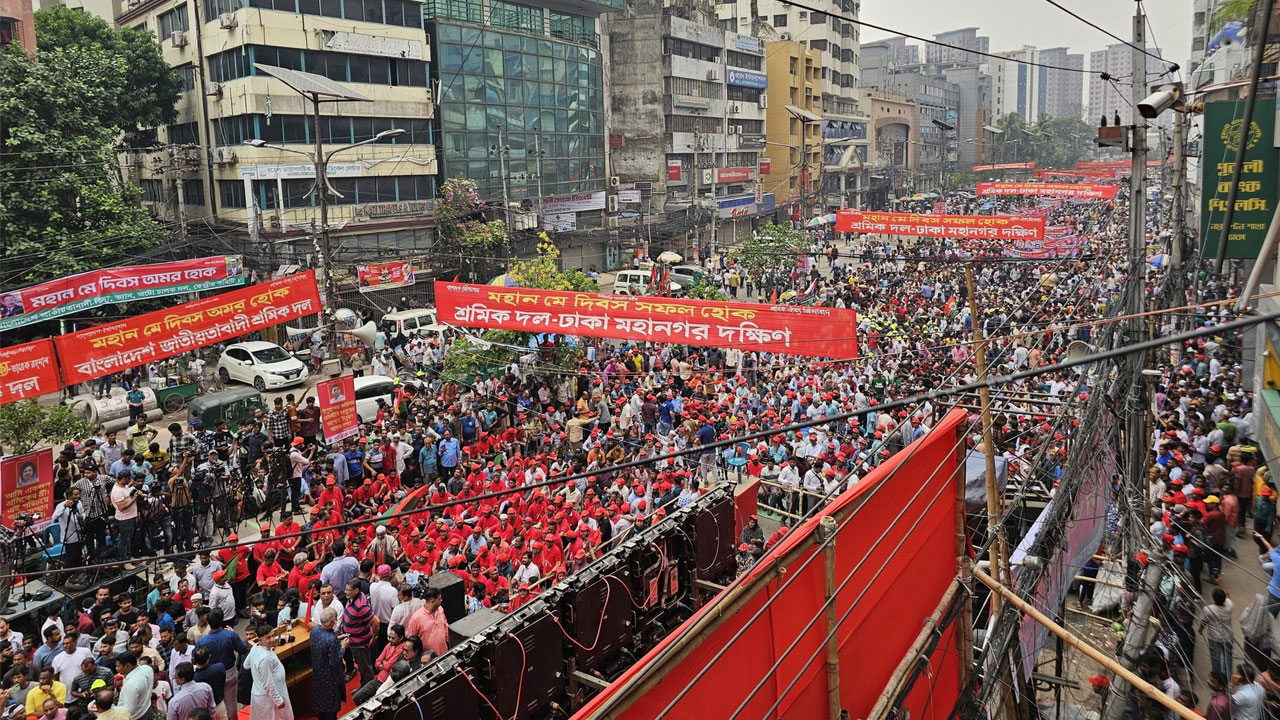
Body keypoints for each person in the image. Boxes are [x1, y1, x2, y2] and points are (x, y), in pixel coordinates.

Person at [246, 626, 292, 720]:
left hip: (261, 692)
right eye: (268, 638)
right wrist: (278, 701)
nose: (272, 639)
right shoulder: (265, 658)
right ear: (260, 640)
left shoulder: (255, 647)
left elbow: (246, 665)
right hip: (268, 698)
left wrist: (258, 673)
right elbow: (268, 684)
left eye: (273, 636)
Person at [309, 609, 345, 720]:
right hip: (330, 677)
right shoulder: (331, 639)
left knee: (321, 704)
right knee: (331, 707)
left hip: (318, 674)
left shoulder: (315, 630)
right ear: (331, 622)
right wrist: (343, 647)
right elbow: (334, 661)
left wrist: (337, 640)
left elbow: (323, 647)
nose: (336, 621)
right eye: (335, 619)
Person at [406, 587, 448, 657]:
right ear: (432, 601)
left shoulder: (440, 610)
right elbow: (412, 640)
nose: (441, 600)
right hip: (427, 659)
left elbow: (445, 626)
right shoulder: (416, 617)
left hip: (443, 653)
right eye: (439, 599)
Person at [110, 472, 139, 563]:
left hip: (131, 517)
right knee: (124, 540)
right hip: (124, 519)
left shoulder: (124, 486)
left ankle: (129, 557)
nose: (130, 480)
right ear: (123, 479)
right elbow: (121, 507)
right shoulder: (117, 491)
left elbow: (127, 497)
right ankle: (125, 561)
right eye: (128, 479)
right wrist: (134, 499)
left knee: (128, 539)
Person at [115, 651, 152, 720]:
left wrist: (109, 709)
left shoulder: (131, 684)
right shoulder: (147, 669)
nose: (116, 668)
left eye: (118, 666)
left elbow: (127, 711)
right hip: (147, 709)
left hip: (137, 716)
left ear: (127, 666)